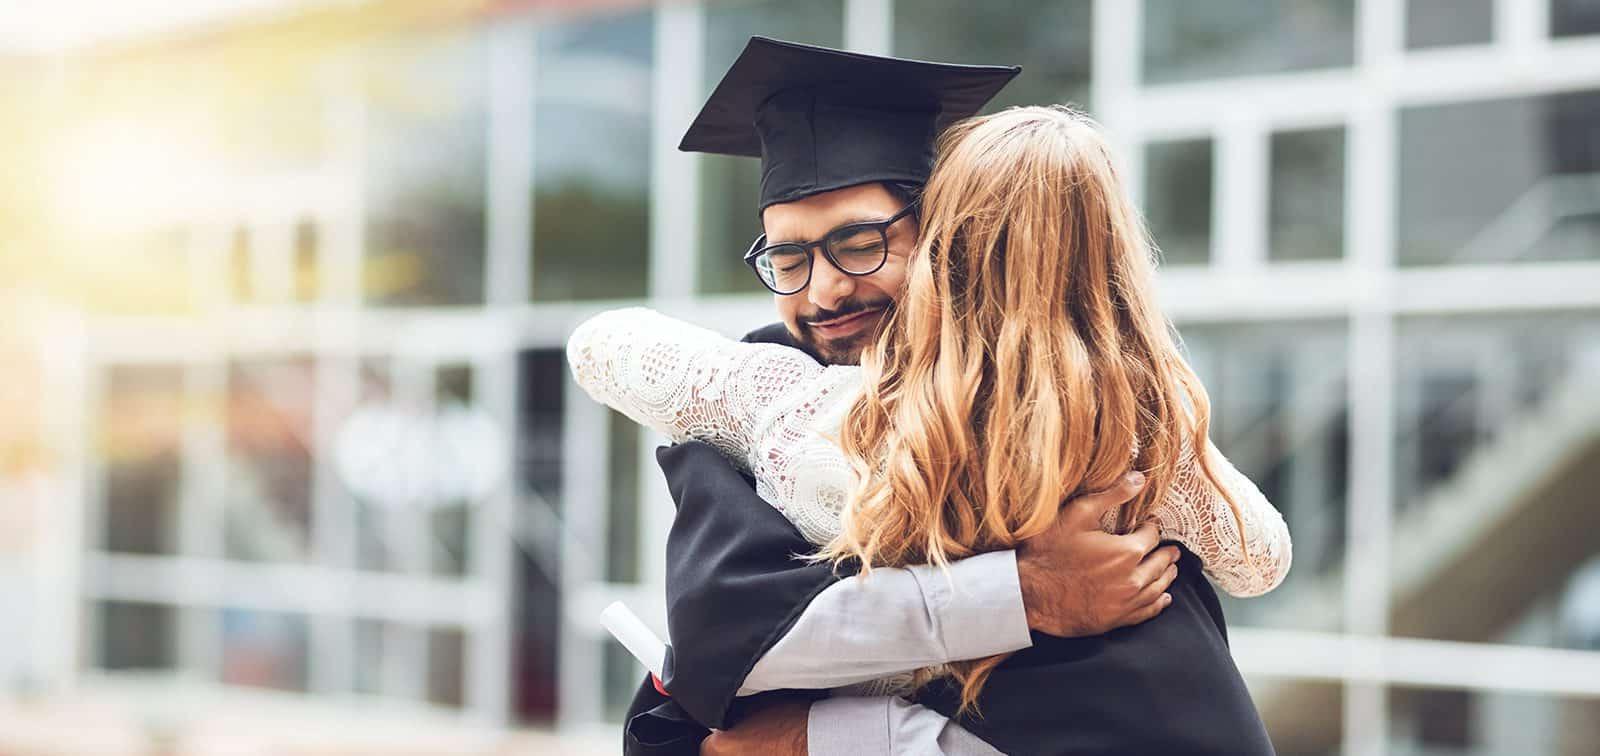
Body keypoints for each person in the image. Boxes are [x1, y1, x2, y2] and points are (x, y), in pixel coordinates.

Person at [589, 39, 1283, 756]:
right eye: (788, 260)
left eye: (857, 244)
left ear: (946, 238)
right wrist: (1023, 594)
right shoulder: (762, 401)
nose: (822, 291)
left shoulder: (1096, 429)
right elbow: (729, 641)